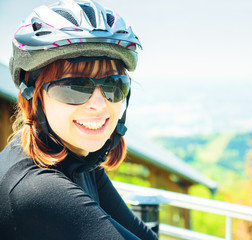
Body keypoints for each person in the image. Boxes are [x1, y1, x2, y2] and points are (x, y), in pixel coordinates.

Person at [0, 0, 158, 239]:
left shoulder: (77, 159)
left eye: (113, 85)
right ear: (34, 97)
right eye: (73, 87)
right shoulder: (37, 189)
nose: (98, 104)